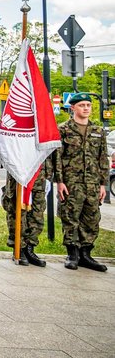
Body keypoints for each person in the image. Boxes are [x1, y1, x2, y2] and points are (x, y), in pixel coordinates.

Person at [53, 93, 108, 272]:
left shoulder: (98, 131)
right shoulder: (63, 129)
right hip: (71, 183)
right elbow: (57, 158)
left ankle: (86, 254)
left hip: (92, 183)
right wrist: (59, 181)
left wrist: (103, 184)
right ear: (73, 108)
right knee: (70, 217)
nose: (86, 108)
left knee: (92, 218)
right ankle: (72, 254)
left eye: (88, 105)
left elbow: (102, 158)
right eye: (82, 105)